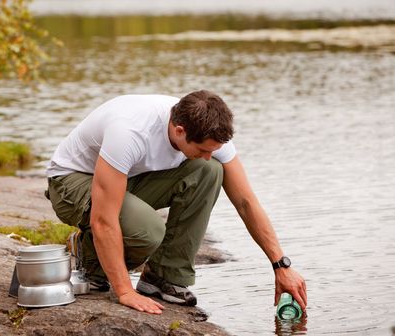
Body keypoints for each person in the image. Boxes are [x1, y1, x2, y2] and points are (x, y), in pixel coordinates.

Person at [45, 90, 307, 315]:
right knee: (149, 232)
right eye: (204, 150)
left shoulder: (208, 128)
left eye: (213, 150)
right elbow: (103, 220)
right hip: (71, 181)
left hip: (125, 179)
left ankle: (163, 278)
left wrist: (280, 265)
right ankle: (89, 257)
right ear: (180, 131)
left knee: (210, 172)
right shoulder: (130, 131)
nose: (208, 155)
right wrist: (125, 292)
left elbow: (246, 202)